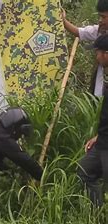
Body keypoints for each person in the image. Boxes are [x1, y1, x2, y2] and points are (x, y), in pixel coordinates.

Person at [78, 34, 108, 207]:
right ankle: (97, 214)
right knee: (84, 171)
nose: (96, 57)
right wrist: (98, 135)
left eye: (98, 53)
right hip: (102, 141)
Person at [62, 0, 108, 96]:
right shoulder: (100, 31)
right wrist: (63, 20)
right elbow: (79, 32)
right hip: (100, 90)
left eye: (103, 17)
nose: (100, 20)